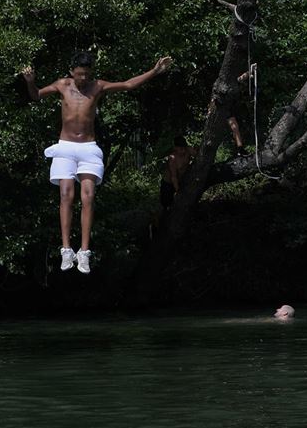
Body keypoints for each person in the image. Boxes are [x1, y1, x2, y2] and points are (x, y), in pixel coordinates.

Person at [22, 51, 173, 273]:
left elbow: (128, 85)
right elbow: (35, 96)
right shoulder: (62, 85)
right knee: (66, 194)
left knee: (88, 196)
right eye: (80, 74)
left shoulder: (97, 86)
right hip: (65, 146)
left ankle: (84, 252)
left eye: (87, 74)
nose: (83, 78)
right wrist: (30, 82)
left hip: (88, 149)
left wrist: (155, 71)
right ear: (72, 71)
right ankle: (66, 250)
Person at [160, 135, 198, 209]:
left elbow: (198, 155)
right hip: (168, 183)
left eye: (184, 148)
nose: (183, 151)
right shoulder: (172, 159)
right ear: (175, 148)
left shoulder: (188, 150)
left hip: (182, 179)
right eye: (180, 149)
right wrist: (178, 191)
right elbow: (173, 177)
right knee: (166, 205)